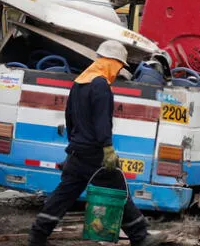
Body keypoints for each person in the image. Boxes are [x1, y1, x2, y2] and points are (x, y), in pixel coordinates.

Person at [28, 40, 167, 246]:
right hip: (95, 153)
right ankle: (140, 237)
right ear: (112, 62)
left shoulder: (79, 82)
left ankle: (37, 236)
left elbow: (69, 117)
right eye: (119, 66)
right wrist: (107, 147)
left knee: (64, 195)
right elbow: (102, 120)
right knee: (119, 191)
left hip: (77, 151)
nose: (119, 71)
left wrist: (74, 144)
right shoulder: (100, 85)